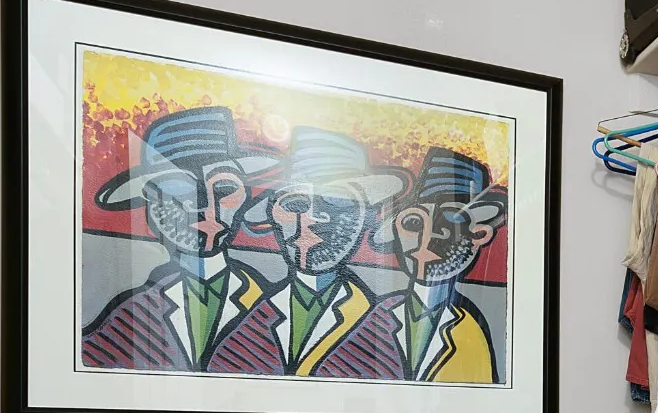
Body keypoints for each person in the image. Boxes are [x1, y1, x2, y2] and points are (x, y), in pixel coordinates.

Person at [80, 106, 281, 373]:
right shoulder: (130, 315)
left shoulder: (273, 308)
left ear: (244, 198)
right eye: (180, 189)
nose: (206, 207)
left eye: (224, 189)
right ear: (151, 204)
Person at [242, 127, 409, 378]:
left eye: (338, 202)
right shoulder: (253, 314)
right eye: (295, 204)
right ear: (274, 215)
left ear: (364, 218)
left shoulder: (380, 323)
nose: (310, 220)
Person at [373, 146, 509, 383]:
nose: (425, 242)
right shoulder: (374, 317)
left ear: (479, 235)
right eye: (414, 223)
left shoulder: (470, 330)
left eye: (448, 225)